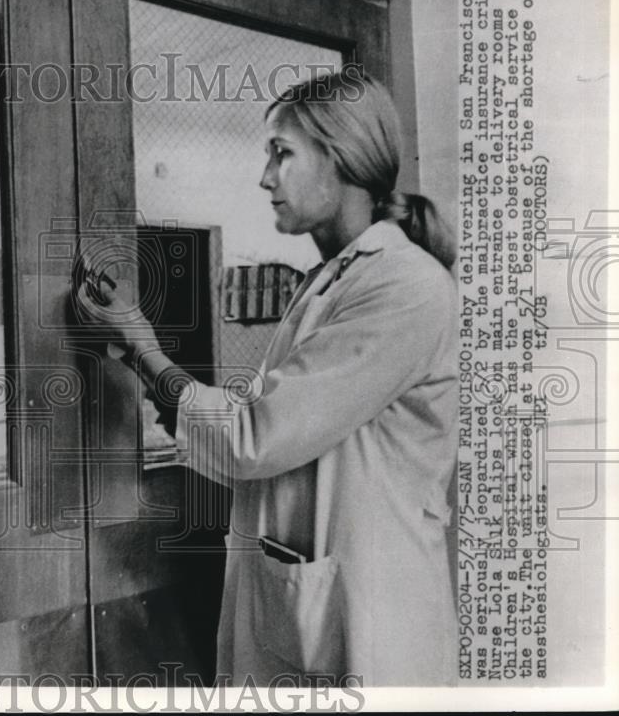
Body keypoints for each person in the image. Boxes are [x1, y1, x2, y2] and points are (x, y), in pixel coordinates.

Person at [73, 69, 459, 687]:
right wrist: (139, 354)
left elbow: (253, 436)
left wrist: (145, 347)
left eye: (282, 153)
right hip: (321, 612)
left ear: (344, 159)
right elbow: (254, 432)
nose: (265, 177)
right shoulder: (328, 281)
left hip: (376, 625)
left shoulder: (404, 286)